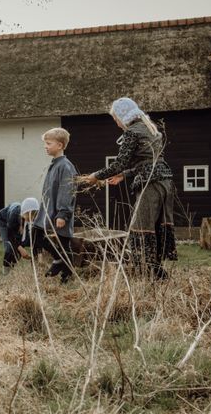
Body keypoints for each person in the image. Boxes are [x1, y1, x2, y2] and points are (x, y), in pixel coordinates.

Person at [78, 97, 177, 280]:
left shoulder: (132, 132)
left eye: (116, 118)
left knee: (140, 228)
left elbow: (119, 163)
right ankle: (156, 273)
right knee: (154, 226)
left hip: (151, 183)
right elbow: (149, 162)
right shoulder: (151, 128)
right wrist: (125, 175)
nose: (116, 123)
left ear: (123, 115)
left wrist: (96, 176)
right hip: (165, 181)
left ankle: (148, 274)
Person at [33, 128, 78, 284]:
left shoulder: (65, 166)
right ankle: (59, 261)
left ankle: (66, 277)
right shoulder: (55, 164)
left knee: (64, 242)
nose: (45, 146)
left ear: (60, 145)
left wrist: (63, 213)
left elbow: (67, 190)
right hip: (48, 210)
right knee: (36, 235)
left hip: (59, 212)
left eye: (48, 143)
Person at [0, 197, 40, 275]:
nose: (32, 219)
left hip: (19, 219)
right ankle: (6, 272)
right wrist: (21, 249)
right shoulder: (15, 215)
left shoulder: (31, 217)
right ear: (25, 213)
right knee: (9, 246)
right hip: (3, 220)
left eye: (34, 216)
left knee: (20, 242)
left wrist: (35, 256)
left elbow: (33, 240)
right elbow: (10, 236)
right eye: (30, 216)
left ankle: (13, 264)